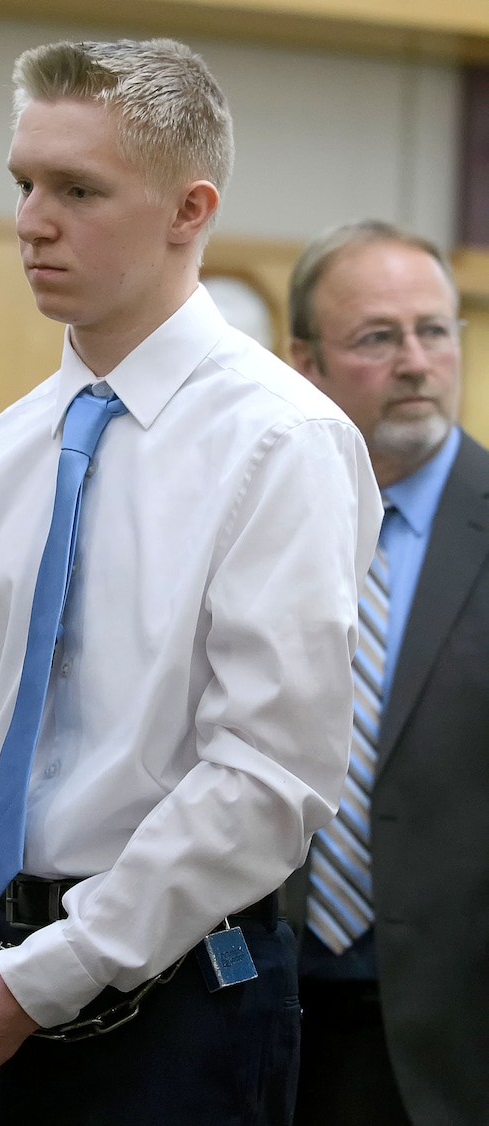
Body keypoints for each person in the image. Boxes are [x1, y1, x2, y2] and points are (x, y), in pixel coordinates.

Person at [0, 39, 380, 1126]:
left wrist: (36, 981)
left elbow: (265, 779)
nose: (30, 221)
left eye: (77, 190)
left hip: (174, 1001)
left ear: (190, 209)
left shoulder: (279, 442)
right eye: (23, 184)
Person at [286, 218, 489, 1126]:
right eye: (377, 337)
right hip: (266, 1020)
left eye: (434, 330)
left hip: (459, 1042)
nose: (415, 361)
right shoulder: (255, 528)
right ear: (305, 363)